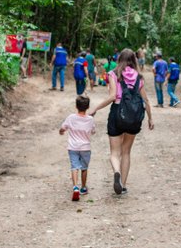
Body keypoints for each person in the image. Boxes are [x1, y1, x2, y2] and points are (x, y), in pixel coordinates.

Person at [89, 48, 154, 195]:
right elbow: (146, 100)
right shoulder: (139, 77)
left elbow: (112, 96)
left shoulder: (114, 74)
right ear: (134, 60)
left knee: (114, 152)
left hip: (117, 113)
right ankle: (123, 185)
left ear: (120, 59)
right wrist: (150, 118)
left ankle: (116, 172)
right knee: (126, 152)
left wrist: (95, 108)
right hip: (134, 117)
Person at [59, 96, 96, 202]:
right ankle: (83, 187)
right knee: (84, 168)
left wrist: (61, 131)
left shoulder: (71, 117)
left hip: (73, 147)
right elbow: (93, 131)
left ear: (76, 106)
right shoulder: (90, 119)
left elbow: (63, 127)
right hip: (85, 148)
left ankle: (75, 187)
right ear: (88, 107)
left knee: (74, 167)